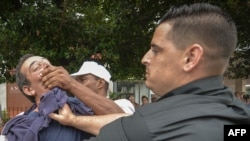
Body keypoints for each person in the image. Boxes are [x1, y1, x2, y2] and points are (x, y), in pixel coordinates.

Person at [48, 3, 250, 141]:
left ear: (190, 57)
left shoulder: (149, 125)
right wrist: (73, 120)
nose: (145, 58)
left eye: (156, 50)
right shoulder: (239, 119)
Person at [1, 54, 123, 141]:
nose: (46, 67)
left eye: (47, 64)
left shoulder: (81, 106)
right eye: (37, 67)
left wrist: (71, 84)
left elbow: (124, 125)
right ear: (29, 89)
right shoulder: (22, 127)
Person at [70, 60, 135, 114]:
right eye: (76, 81)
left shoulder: (123, 105)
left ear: (100, 83)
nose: (77, 84)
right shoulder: (74, 107)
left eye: (82, 80)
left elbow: (122, 121)